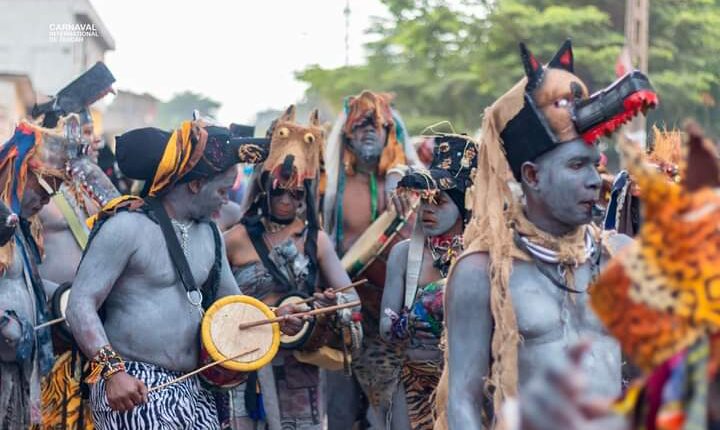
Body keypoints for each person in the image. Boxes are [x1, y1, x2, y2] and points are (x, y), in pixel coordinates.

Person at [434, 40, 658, 429]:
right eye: (576, 166)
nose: (595, 181)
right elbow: (463, 401)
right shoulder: (482, 272)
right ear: (532, 176)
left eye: (594, 165)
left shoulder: (619, 256)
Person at [65, 120, 283, 429]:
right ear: (195, 184)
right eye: (222, 190)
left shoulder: (211, 234)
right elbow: (79, 305)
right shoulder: (126, 227)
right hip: (133, 384)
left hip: (195, 386)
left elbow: (232, 307)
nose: (227, 200)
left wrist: (274, 318)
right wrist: (113, 372)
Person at [224, 105, 362, 430]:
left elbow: (352, 301)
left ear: (305, 196)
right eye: (279, 191)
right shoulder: (235, 239)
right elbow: (217, 304)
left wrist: (328, 306)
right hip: (245, 363)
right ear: (265, 187)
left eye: (296, 193)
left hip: (300, 370)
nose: (287, 200)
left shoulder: (316, 240)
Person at [322, 90, 419, 428]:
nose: (368, 131)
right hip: (342, 314)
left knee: (390, 414)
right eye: (359, 125)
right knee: (341, 412)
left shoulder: (409, 185)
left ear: (390, 131)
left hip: (393, 318)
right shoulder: (330, 185)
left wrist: (401, 175)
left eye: (376, 124)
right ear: (346, 133)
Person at [380, 133, 478, 429]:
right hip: (415, 384)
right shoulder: (403, 254)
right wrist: (403, 324)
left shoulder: (481, 256)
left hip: (468, 385)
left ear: (463, 205)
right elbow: (384, 327)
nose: (427, 210)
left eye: (439, 201)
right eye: (424, 200)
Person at [0, 121, 66, 428]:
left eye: (53, 194)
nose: (45, 201)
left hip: (15, 369)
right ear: (19, 172)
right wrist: (6, 324)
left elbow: (26, 283)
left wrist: (65, 297)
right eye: (42, 189)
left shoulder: (20, 227)